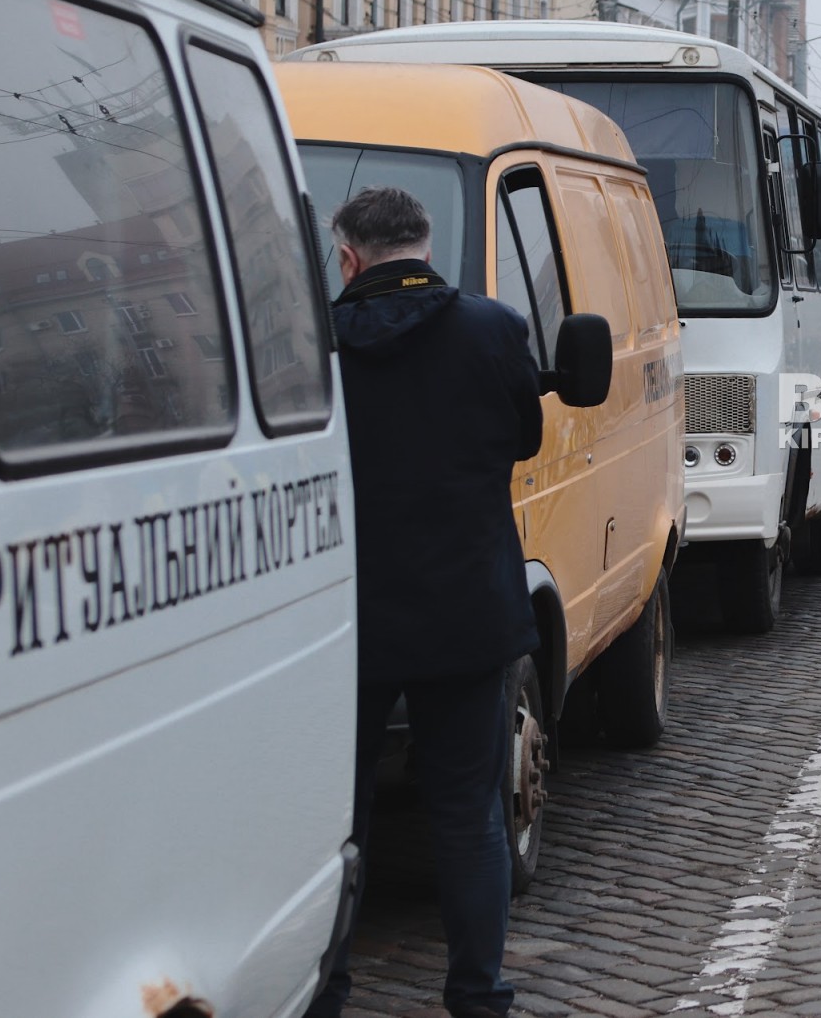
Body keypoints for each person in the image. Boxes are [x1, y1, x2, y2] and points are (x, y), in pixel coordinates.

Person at [307, 186, 544, 1018]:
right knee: (469, 816)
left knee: (340, 821)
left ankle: (326, 990)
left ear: (347, 258)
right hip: (466, 608)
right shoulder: (492, 329)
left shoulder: (317, 342)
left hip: (349, 617)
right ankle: (478, 995)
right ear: (425, 245)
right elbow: (525, 437)